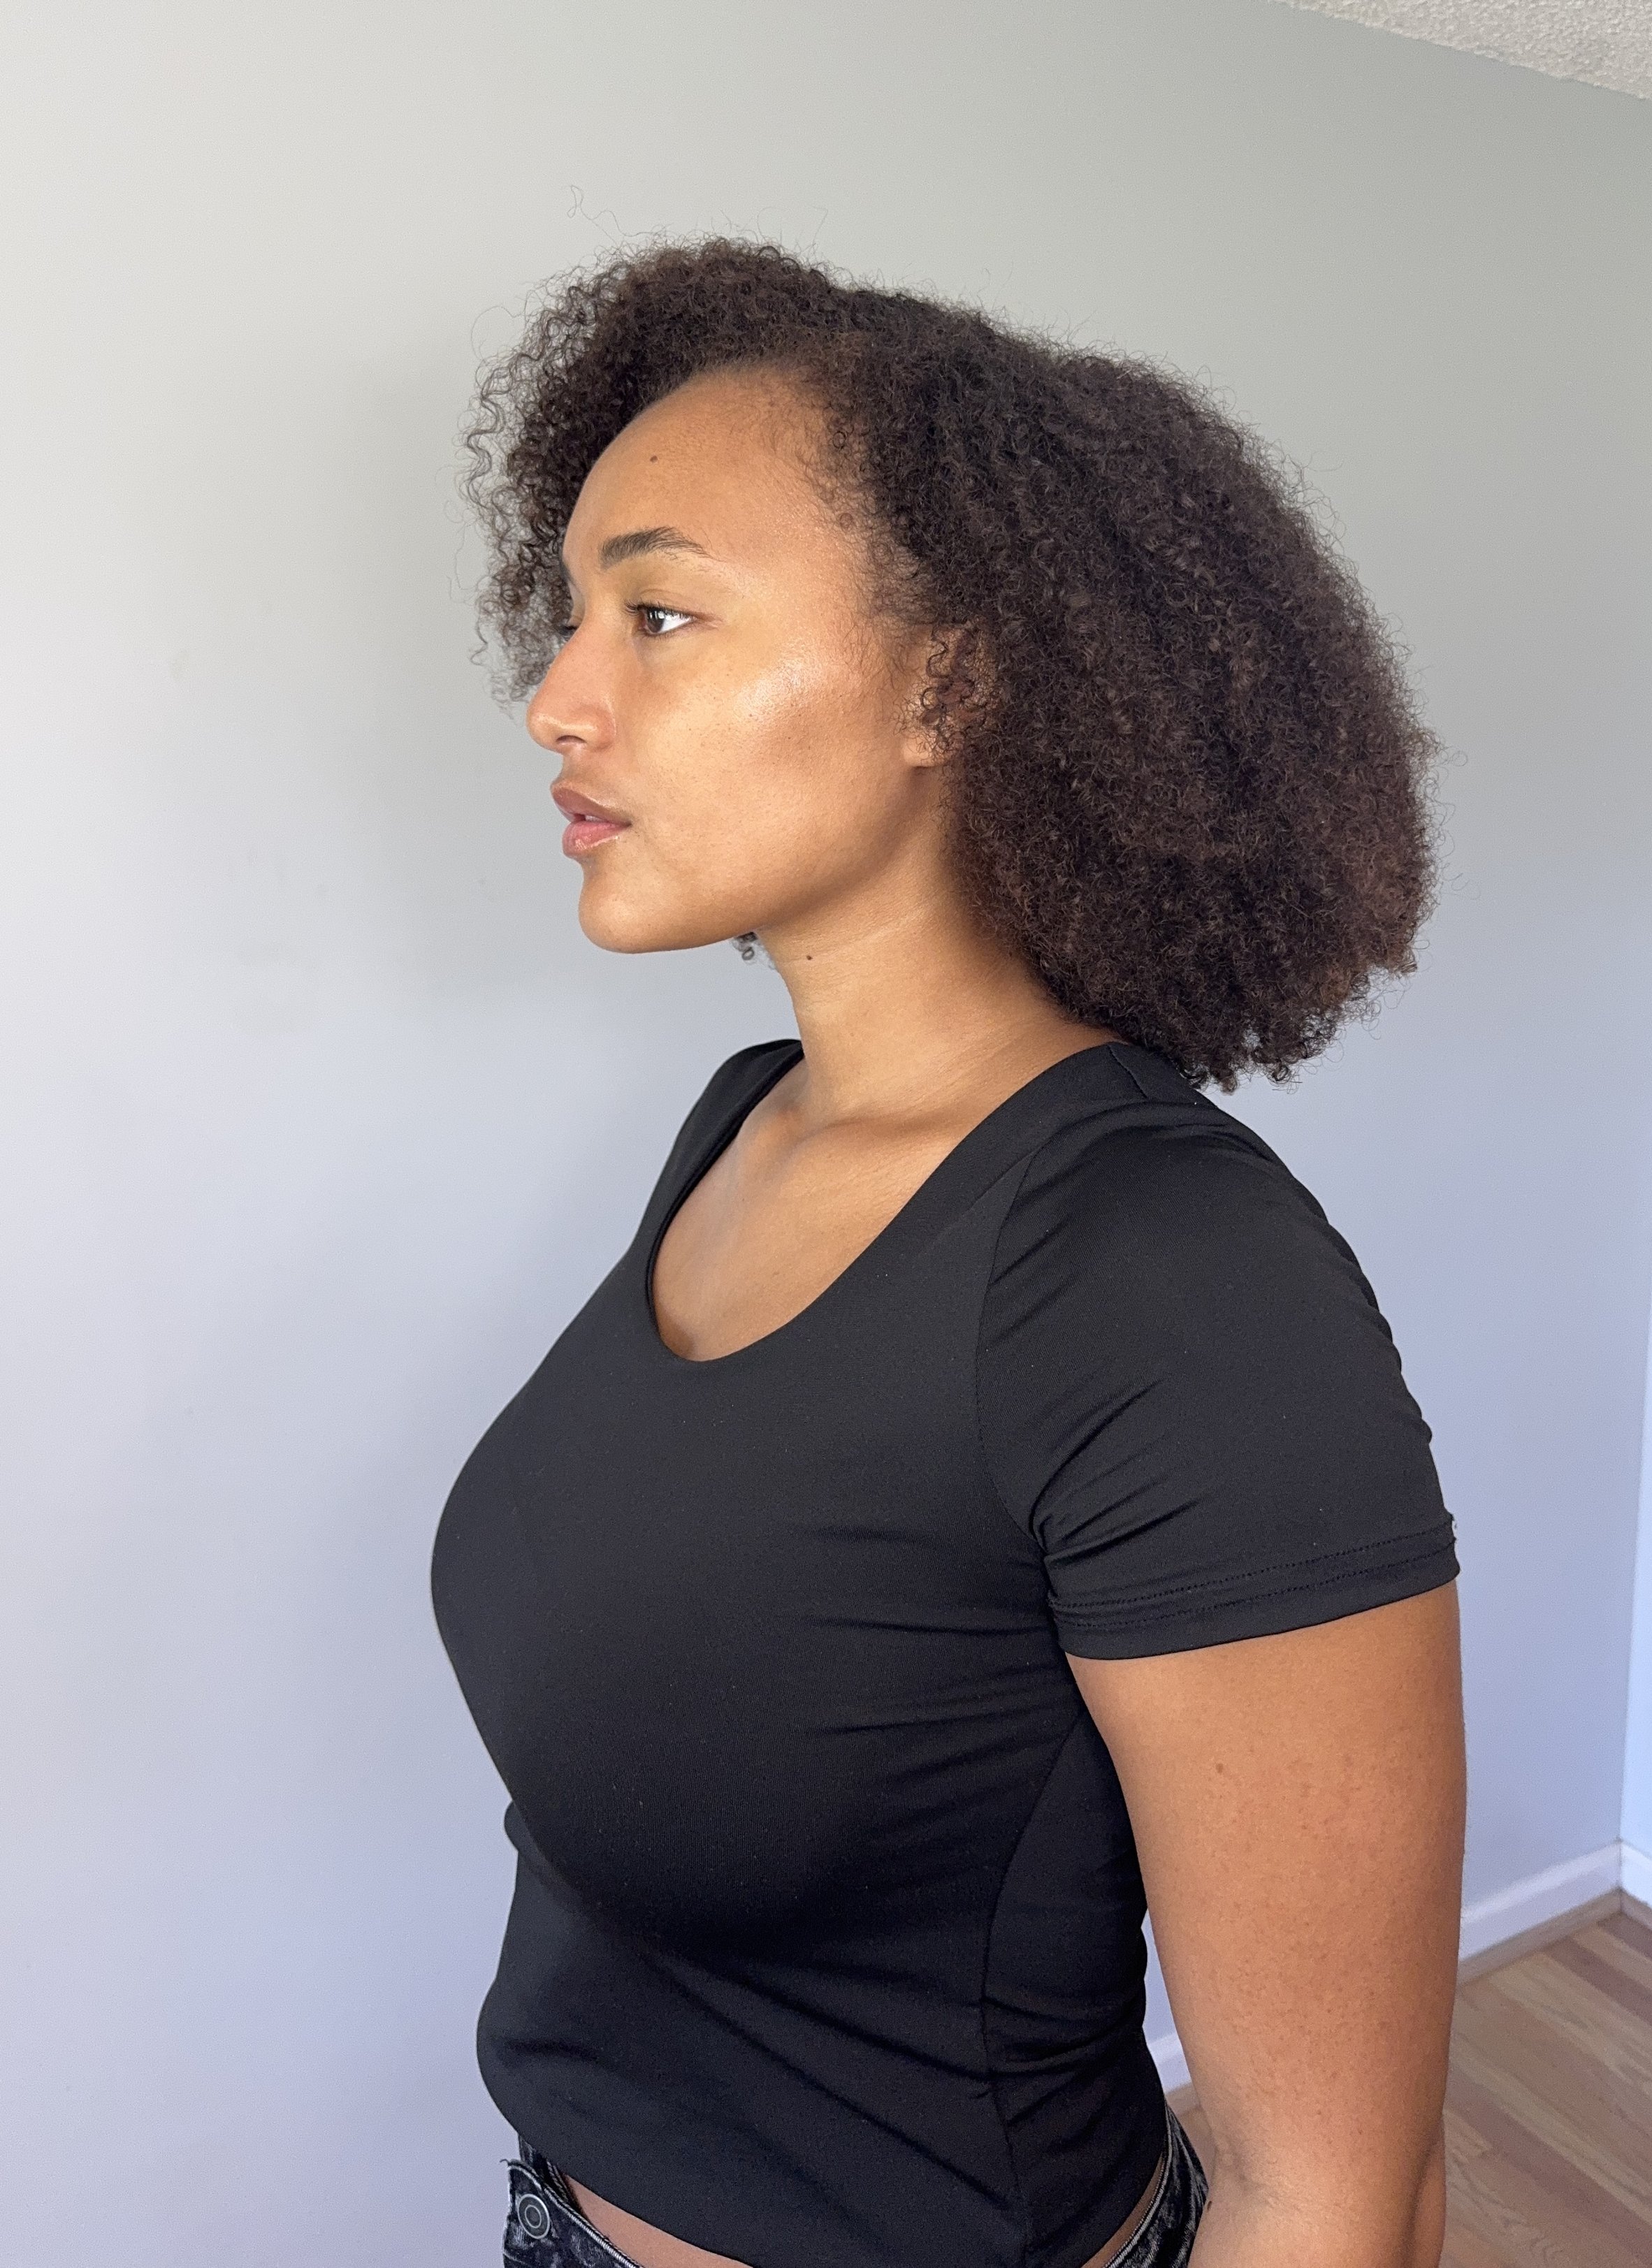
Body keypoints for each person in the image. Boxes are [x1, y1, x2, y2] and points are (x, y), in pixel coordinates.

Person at [433, 240, 1465, 2268]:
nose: (558, 698)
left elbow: (1336, 2198)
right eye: (568, 619)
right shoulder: (748, 1120)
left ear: (953, 683)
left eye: (659, 614)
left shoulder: (1169, 1278)